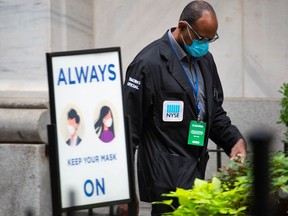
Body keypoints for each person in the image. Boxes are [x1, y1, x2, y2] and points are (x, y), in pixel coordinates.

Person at [119, 1, 247, 215]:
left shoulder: (205, 60)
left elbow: (213, 113)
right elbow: (127, 130)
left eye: (210, 39)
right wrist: (123, 190)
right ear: (182, 26)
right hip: (164, 179)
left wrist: (234, 139)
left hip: (194, 172)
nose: (205, 44)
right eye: (201, 38)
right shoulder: (147, 63)